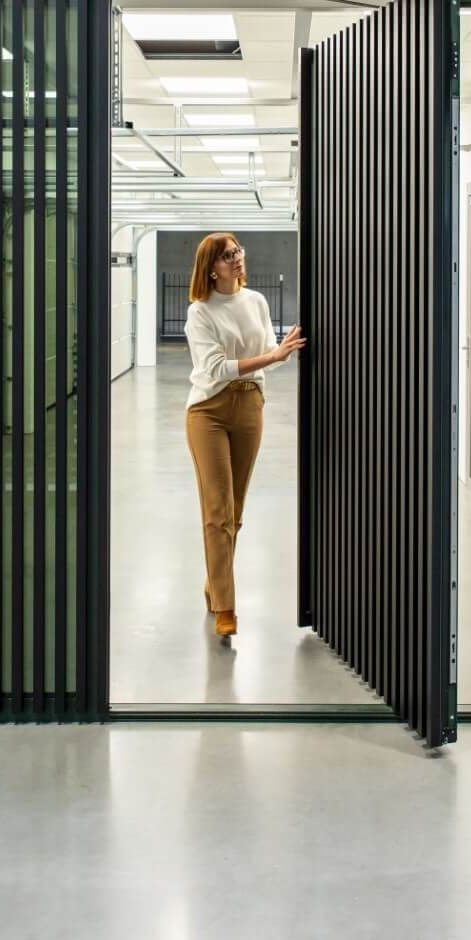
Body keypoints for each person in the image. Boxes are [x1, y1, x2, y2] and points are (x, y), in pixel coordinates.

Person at [183, 232, 307, 640]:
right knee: (218, 511)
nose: (235, 258)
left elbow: (269, 355)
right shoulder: (200, 312)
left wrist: (280, 350)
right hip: (209, 411)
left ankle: (213, 582)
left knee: (234, 514)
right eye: (225, 256)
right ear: (210, 269)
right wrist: (272, 355)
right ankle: (225, 605)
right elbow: (216, 368)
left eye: (237, 251)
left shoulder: (256, 301)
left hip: (250, 404)